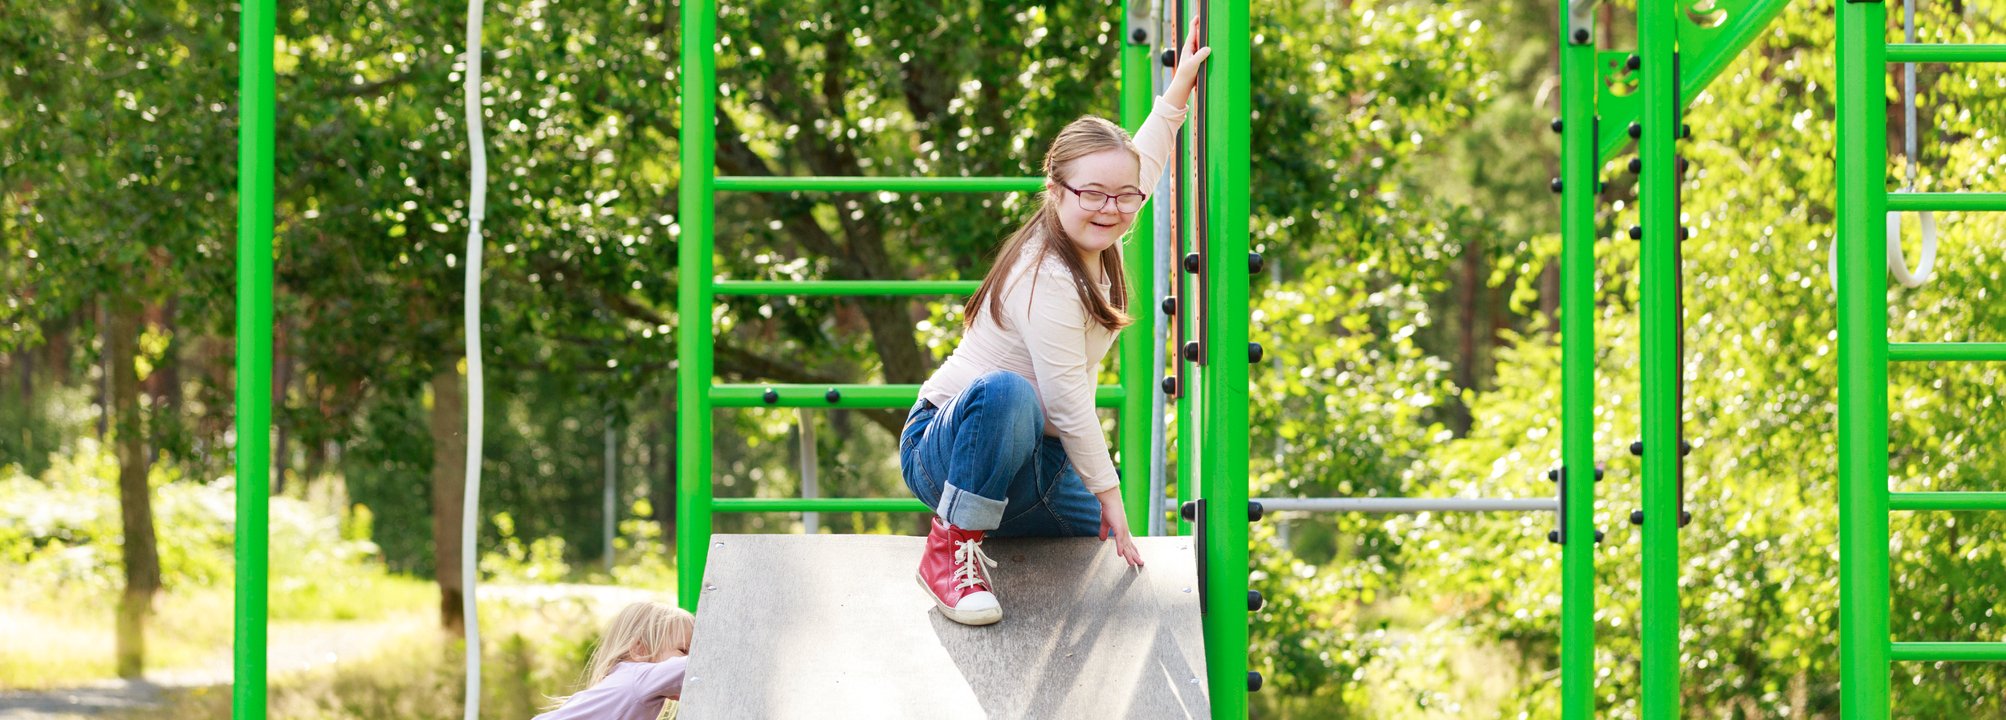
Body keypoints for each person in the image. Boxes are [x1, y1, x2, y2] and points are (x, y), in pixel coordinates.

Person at [900, 17, 1213, 627]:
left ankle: (992, 523)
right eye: (1093, 193)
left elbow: (1141, 161)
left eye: (1126, 197)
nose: (1113, 207)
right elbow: (1066, 400)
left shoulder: (1108, 219)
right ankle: (951, 547)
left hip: (1038, 466)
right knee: (1010, 393)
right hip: (954, 445)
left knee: (1115, 575)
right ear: (1057, 190)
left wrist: (1179, 88)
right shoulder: (1044, 273)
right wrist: (1113, 495)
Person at [535, 601, 695, 720]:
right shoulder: (637, 678)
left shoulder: (623, 681)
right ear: (640, 650)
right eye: (683, 650)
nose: (688, 656)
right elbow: (694, 665)